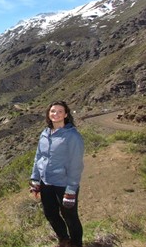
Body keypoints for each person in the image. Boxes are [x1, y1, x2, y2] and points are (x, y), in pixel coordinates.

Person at [29, 100, 85, 247]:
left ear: (66, 114)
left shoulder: (72, 136)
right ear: (49, 114)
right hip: (46, 182)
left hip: (64, 184)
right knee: (50, 214)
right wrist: (35, 179)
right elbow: (38, 156)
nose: (56, 114)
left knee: (70, 217)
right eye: (53, 111)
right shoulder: (45, 133)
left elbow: (76, 165)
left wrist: (71, 190)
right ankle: (64, 239)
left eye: (60, 111)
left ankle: (76, 244)